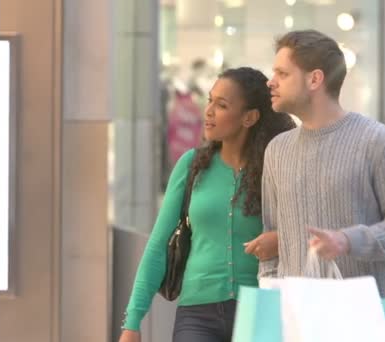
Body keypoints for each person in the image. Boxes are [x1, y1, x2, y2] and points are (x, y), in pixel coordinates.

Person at [119, 67, 295, 342]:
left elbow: (305, 231)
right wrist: (132, 321)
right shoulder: (191, 166)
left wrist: (282, 240)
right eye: (210, 100)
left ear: (249, 117)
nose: (208, 111)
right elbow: (157, 246)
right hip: (196, 314)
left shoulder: (275, 170)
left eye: (221, 105)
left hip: (260, 311)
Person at [258, 30, 385, 298]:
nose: (271, 82)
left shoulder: (379, 141)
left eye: (282, 74)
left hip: (362, 313)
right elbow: (273, 236)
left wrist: (347, 240)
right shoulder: (277, 150)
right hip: (296, 317)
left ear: (315, 79)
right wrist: (271, 292)